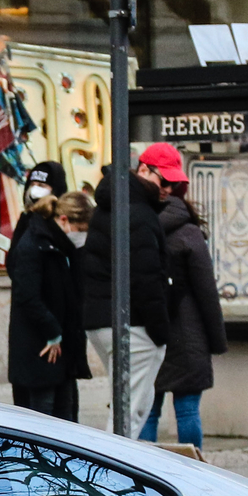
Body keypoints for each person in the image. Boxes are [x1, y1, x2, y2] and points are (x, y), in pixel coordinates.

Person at [81, 141, 181, 436]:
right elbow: (146, 278)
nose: (168, 189)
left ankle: (111, 472)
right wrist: (161, 333)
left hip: (103, 319)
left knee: (125, 408)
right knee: (130, 414)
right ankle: (113, 478)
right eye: (165, 180)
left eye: (174, 184)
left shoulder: (111, 204)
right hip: (132, 324)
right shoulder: (137, 213)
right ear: (144, 170)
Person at [142, 179, 227, 448]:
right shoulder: (189, 234)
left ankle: (144, 470)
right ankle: (196, 472)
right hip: (188, 336)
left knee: (148, 409)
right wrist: (217, 340)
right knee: (188, 410)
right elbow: (206, 291)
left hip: (149, 330)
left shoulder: (140, 229)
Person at [5, 161, 85, 420]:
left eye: (43, 185)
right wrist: (53, 332)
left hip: (59, 349)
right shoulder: (33, 236)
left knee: (65, 419)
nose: (36, 191)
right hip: (39, 349)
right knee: (42, 422)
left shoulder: (57, 239)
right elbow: (25, 290)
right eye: (34, 184)